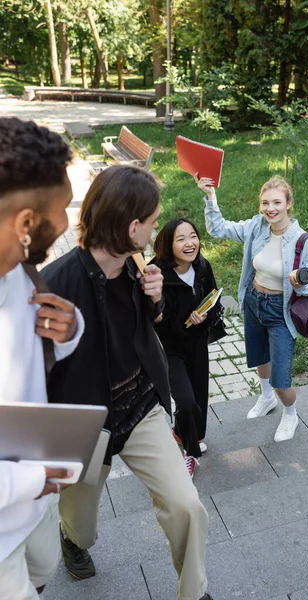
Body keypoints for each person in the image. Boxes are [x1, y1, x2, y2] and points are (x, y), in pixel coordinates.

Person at [42, 165, 213, 600]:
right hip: (84, 424)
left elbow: (151, 329)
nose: (157, 230)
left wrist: (155, 301)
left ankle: (194, 592)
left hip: (140, 405)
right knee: (82, 524)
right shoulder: (55, 285)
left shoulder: (140, 270)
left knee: (186, 505)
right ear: (132, 227)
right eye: (153, 223)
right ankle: (72, 540)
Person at [0, 117, 84, 600]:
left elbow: (43, 338)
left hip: (38, 498)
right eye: (62, 211)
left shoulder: (21, 268)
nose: (67, 224)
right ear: (27, 223)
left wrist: (70, 331)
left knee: (46, 566)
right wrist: (32, 478)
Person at [196, 174, 308, 442]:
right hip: (254, 301)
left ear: (289, 204)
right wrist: (211, 198)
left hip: (281, 311)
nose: (270, 209)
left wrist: (300, 282)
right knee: (258, 358)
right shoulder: (257, 226)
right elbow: (219, 229)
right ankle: (266, 399)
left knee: (280, 377)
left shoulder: (304, 242)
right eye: (265, 203)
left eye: (277, 202)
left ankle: (291, 413)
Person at [152, 218, 219, 477]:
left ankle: (182, 434)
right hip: (169, 347)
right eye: (181, 239)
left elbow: (213, 299)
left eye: (193, 236)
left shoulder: (202, 267)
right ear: (168, 245)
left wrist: (205, 316)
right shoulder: (156, 273)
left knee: (199, 396)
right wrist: (183, 321)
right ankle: (190, 453)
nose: (190, 243)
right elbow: (155, 319)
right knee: (187, 401)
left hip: (197, 343)